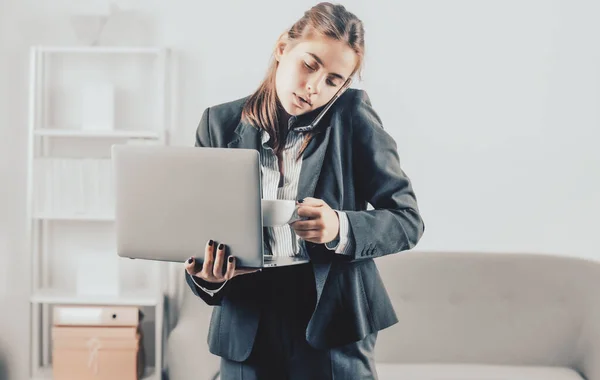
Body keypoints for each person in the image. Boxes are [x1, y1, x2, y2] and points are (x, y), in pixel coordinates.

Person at [184, 2, 425, 379]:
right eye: (310, 65)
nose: (315, 87)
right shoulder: (218, 123)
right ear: (283, 48)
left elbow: (407, 220)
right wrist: (206, 277)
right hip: (246, 322)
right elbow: (196, 230)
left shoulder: (352, 118)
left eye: (333, 80)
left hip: (332, 324)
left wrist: (340, 227)